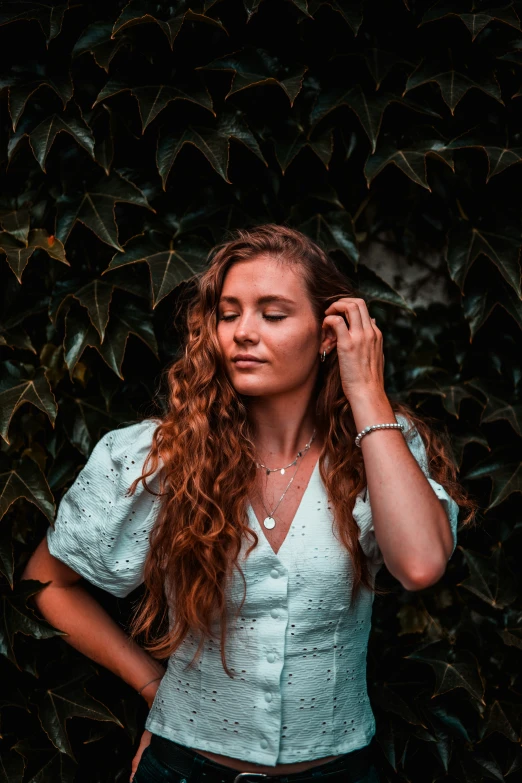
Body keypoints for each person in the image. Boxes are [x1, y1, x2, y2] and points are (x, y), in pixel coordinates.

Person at [22, 224, 475, 783]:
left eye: (273, 314)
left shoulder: (378, 449)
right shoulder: (158, 456)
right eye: (228, 312)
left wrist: (366, 392)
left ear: (328, 335)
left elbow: (421, 564)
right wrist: (149, 684)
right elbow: (47, 583)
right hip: (182, 769)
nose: (243, 332)